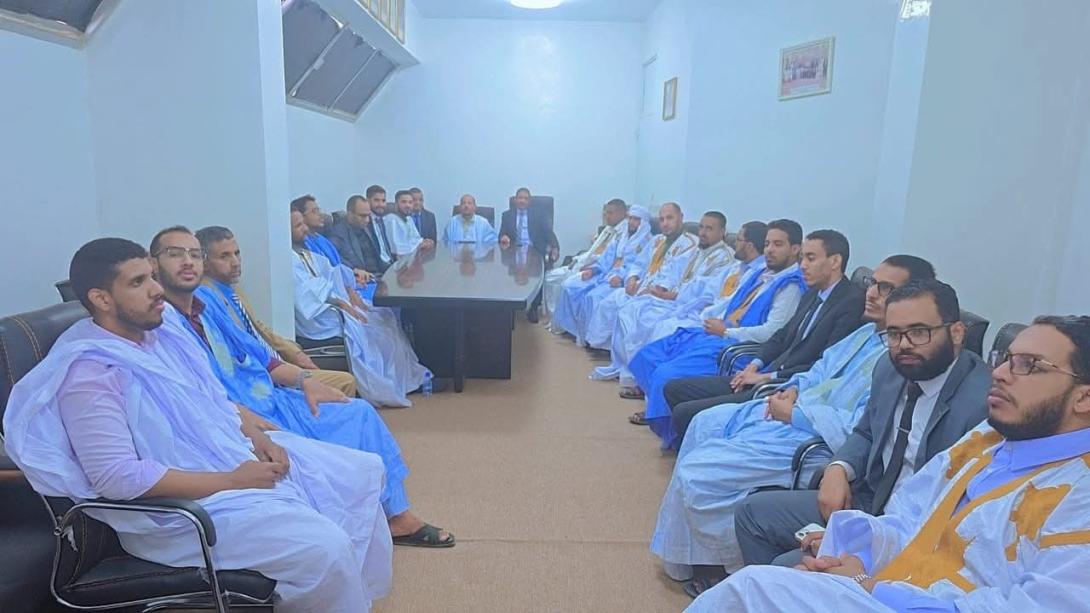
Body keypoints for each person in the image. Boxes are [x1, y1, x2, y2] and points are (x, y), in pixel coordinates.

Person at [3, 238, 393, 611]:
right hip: (175, 517)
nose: (157, 289)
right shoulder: (91, 374)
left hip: (223, 456)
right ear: (101, 299)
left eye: (152, 276)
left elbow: (211, 399)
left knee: (361, 471)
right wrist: (233, 481)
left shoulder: (160, 334)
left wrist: (256, 435)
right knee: (324, 548)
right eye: (138, 282)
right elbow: (116, 478)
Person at [690, 315, 1090, 612]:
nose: (1000, 373)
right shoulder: (988, 438)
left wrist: (869, 587)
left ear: (1084, 398)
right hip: (892, 586)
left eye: (1030, 365)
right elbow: (910, 518)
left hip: (908, 600)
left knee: (754, 589)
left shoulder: (1079, 494)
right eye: (1006, 358)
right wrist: (860, 560)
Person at [148, 226, 453, 548]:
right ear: (153, 263)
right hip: (239, 415)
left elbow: (260, 356)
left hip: (268, 396)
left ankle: (393, 515)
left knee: (358, 412)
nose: (188, 261)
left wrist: (306, 381)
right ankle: (351, 523)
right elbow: (192, 394)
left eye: (194, 254)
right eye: (175, 254)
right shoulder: (160, 322)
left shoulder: (205, 303)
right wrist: (241, 417)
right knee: (324, 443)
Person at [650, 257, 934, 598]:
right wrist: (795, 388)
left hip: (817, 439)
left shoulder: (900, 358)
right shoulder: (866, 334)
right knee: (704, 425)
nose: (871, 293)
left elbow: (860, 427)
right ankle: (697, 554)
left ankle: (723, 562)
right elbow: (820, 369)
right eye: (872, 283)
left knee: (699, 473)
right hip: (797, 413)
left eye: (885, 288)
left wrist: (796, 413)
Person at [733, 279, 991, 571]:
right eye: (894, 334)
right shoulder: (890, 368)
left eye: (919, 332)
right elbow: (866, 431)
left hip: (917, 529)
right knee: (751, 514)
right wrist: (838, 468)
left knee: (787, 566)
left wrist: (866, 544)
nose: (904, 345)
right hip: (871, 499)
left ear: (956, 333)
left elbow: (961, 512)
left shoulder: (982, 406)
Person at [646, 229, 864, 446]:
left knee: (686, 412)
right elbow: (781, 336)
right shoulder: (813, 293)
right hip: (766, 372)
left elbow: (828, 363)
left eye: (811, 258)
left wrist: (767, 377)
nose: (803, 265)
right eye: (802, 259)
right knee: (674, 389)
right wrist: (754, 365)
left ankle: (703, 456)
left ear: (835, 261)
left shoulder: (850, 303)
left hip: (785, 386)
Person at [626, 219, 807, 435]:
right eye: (767, 244)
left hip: (738, 350)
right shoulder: (761, 274)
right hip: (720, 335)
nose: (769, 250)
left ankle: (670, 427)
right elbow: (730, 304)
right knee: (650, 354)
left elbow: (771, 333)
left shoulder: (791, 286)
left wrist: (726, 331)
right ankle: (658, 411)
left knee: (666, 373)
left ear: (795, 249)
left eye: (778, 244)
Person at [591, 221, 766, 382]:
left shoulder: (732, 261)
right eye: (701, 227)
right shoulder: (729, 263)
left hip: (705, 314)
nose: (702, 232)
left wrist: (675, 298)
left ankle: (648, 379)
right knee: (631, 310)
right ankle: (629, 370)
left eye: (709, 228)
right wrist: (662, 289)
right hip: (687, 304)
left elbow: (716, 298)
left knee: (661, 327)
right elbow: (681, 275)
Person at [195, 225, 357, 396]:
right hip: (260, 374)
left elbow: (258, 327)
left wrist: (293, 352)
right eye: (224, 256)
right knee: (345, 383)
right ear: (204, 262)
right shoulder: (206, 298)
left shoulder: (231, 288)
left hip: (277, 361)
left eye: (237, 253)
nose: (235, 262)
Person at [288, 212, 430, 407]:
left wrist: (348, 287)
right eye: (298, 226)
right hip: (322, 318)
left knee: (385, 316)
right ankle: (386, 386)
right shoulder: (288, 259)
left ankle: (404, 380)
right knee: (377, 332)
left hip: (334, 304)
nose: (305, 229)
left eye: (303, 223)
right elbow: (308, 296)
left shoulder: (303, 251)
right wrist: (343, 304)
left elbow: (332, 273)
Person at [582, 202, 700, 348]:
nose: (665, 223)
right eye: (662, 219)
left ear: (681, 218)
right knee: (609, 302)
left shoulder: (690, 244)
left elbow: (674, 276)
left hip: (660, 296)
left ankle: (628, 356)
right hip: (641, 286)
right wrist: (632, 279)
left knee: (630, 313)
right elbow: (639, 264)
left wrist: (652, 289)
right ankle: (602, 346)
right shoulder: (657, 240)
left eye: (670, 218)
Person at [550, 205, 653, 344]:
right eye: (630, 218)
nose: (631, 222)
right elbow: (607, 257)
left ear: (644, 223)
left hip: (621, 281)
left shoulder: (648, 243)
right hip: (605, 273)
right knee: (571, 286)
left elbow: (639, 267)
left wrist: (621, 277)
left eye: (636, 219)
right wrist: (593, 270)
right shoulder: (622, 237)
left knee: (593, 297)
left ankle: (590, 339)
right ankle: (570, 328)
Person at [542, 198, 628, 316]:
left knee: (567, 285)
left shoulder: (623, 234)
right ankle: (554, 316)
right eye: (605, 213)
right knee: (550, 277)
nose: (607, 217)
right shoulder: (608, 229)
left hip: (597, 269)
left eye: (610, 213)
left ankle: (562, 318)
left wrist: (590, 267)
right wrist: (578, 260)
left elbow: (609, 258)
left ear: (622, 214)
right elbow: (593, 250)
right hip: (585, 263)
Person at [498, 187, 560, 322]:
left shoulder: (539, 214)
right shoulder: (507, 215)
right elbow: (502, 234)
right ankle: (511, 306)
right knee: (507, 274)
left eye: (525, 198)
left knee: (535, 277)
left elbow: (548, 232)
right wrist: (503, 237)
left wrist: (555, 247)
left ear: (530, 201)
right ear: (515, 200)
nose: (522, 201)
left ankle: (533, 307)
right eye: (520, 198)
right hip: (513, 251)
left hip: (534, 250)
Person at [326, 195, 393, 277]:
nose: (367, 220)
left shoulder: (367, 228)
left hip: (379, 275)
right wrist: (353, 269)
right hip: (361, 278)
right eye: (362, 216)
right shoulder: (338, 233)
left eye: (368, 215)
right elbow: (332, 257)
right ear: (350, 214)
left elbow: (378, 259)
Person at [387, 189, 436, 256]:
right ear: (396, 204)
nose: (407, 205)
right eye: (404, 202)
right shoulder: (391, 219)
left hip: (412, 257)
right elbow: (396, 247)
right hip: (398, 259)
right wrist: (419, 246)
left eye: (410, 202)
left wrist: (425, 242)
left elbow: (416, 238)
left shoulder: (408, 219)